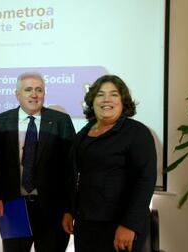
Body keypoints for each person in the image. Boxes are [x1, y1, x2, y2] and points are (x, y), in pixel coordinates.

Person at [62, 74, 157, 252]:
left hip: (120, 226)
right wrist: (69, 210)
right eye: (100, 94)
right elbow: (74, 175)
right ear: (92, 101)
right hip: (86, 224)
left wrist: (129, 225)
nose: (106, 99)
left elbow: (145, 180)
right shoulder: (85, 132)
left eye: (114, 94)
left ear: (123, 101)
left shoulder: (137, 133)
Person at [0, 72, 76, 252]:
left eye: (39, 90)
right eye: (28, 89)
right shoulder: (0, 122)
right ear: (17, 94)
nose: (34, 95)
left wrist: (69, 209)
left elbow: (70, 169)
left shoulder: (61, 121)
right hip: (13, 208)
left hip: (53, 210)